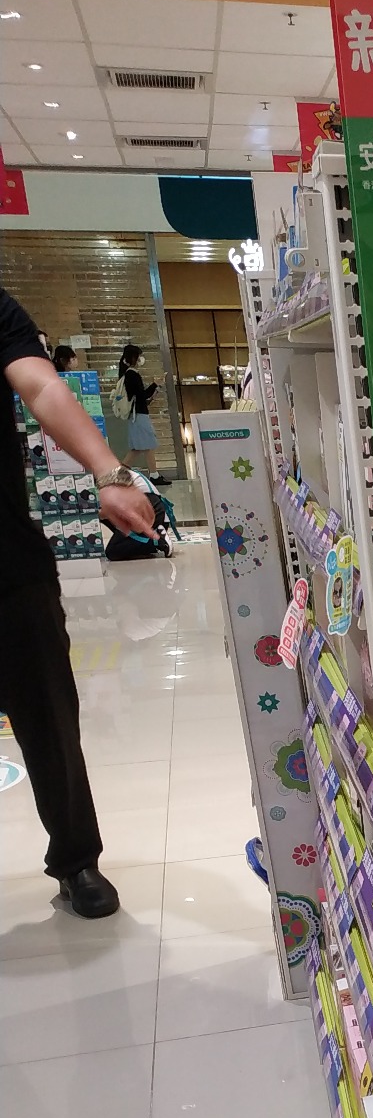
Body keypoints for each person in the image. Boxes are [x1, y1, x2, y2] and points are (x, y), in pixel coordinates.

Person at [1, 287, 157, 917]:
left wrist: (108, 473)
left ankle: (76, 860)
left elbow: (41, 387)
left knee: (49, 720)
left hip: (7, 559)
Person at [117, 343, 163, 484]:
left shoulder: (129, 374)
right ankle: (154, 475)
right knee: (148, 444)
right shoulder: (132, 374)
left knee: (138, 447)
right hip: (139, 415)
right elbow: (142, 394)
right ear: (133, 358)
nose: (141, 359)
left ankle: (120, 474)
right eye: (139, 356)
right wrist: (155, 384)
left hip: (137, 414)